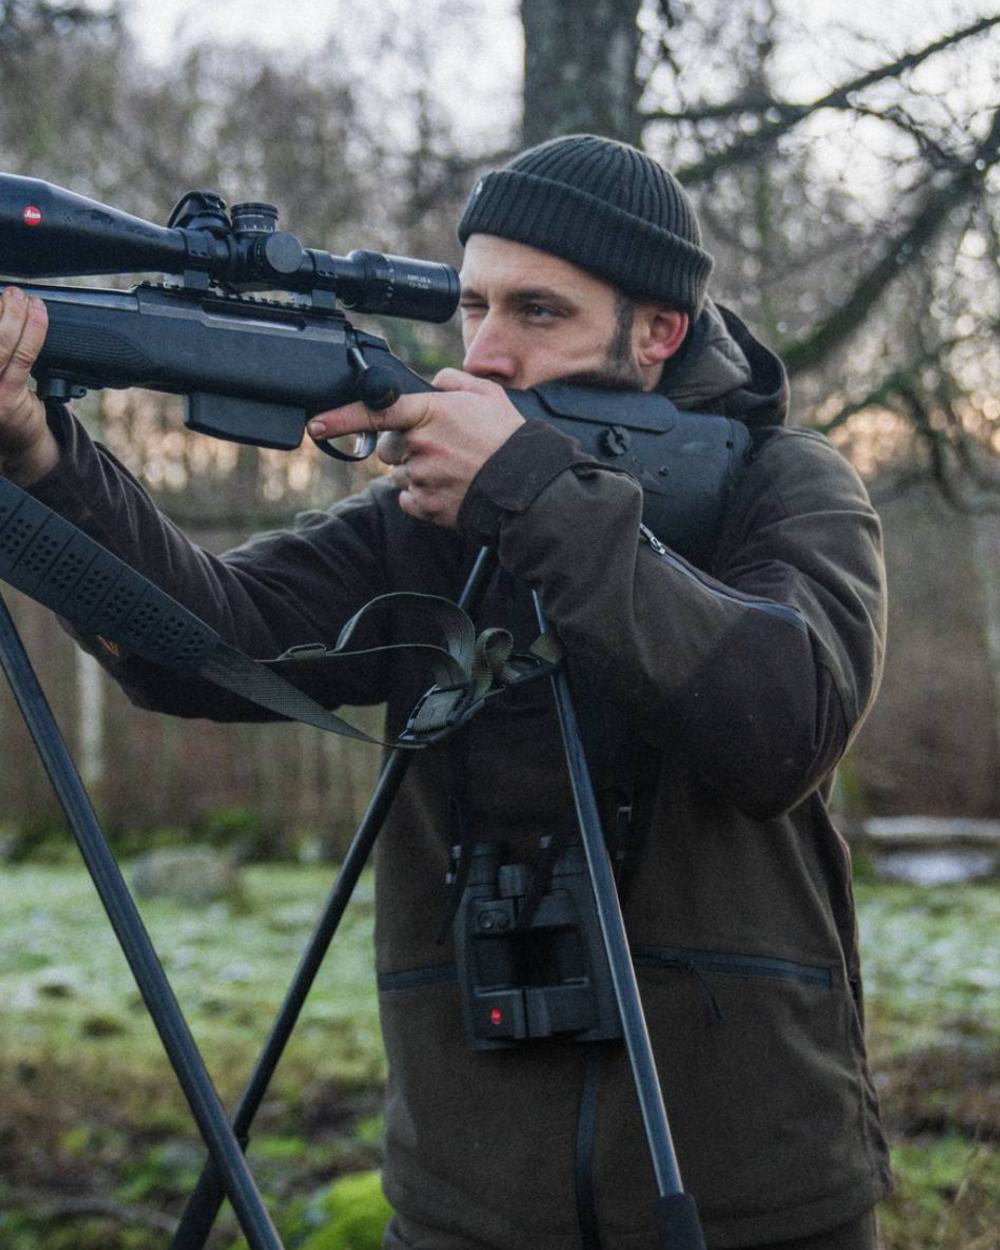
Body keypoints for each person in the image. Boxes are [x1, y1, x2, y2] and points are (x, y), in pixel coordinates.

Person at [0, 135, 891, 1249]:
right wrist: (42, 455)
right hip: (467, 1205)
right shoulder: (419, 514)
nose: (489, 353)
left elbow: (784, 719)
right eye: (472, 306)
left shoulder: (783, 485)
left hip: (756, 1199)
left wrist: (528, 493)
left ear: (657, 331)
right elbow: (206, 645)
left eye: (538, 312)